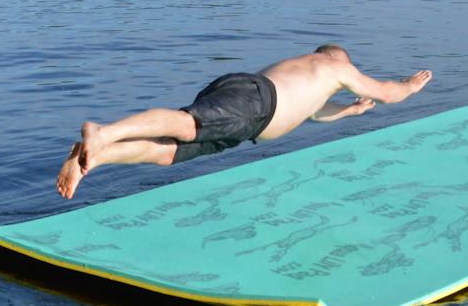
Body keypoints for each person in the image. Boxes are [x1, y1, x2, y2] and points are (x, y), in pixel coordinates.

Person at [56, 45, 433, 199]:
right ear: (337, 58)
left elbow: (314, 112)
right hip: (255, 102)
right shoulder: (334, 65)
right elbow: (387, 93)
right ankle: (104, 132)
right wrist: (409, 86)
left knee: (168, 153)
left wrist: (349, 111)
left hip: (250, 117)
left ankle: (93, 158)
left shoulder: (309, 79)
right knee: (187, 125)